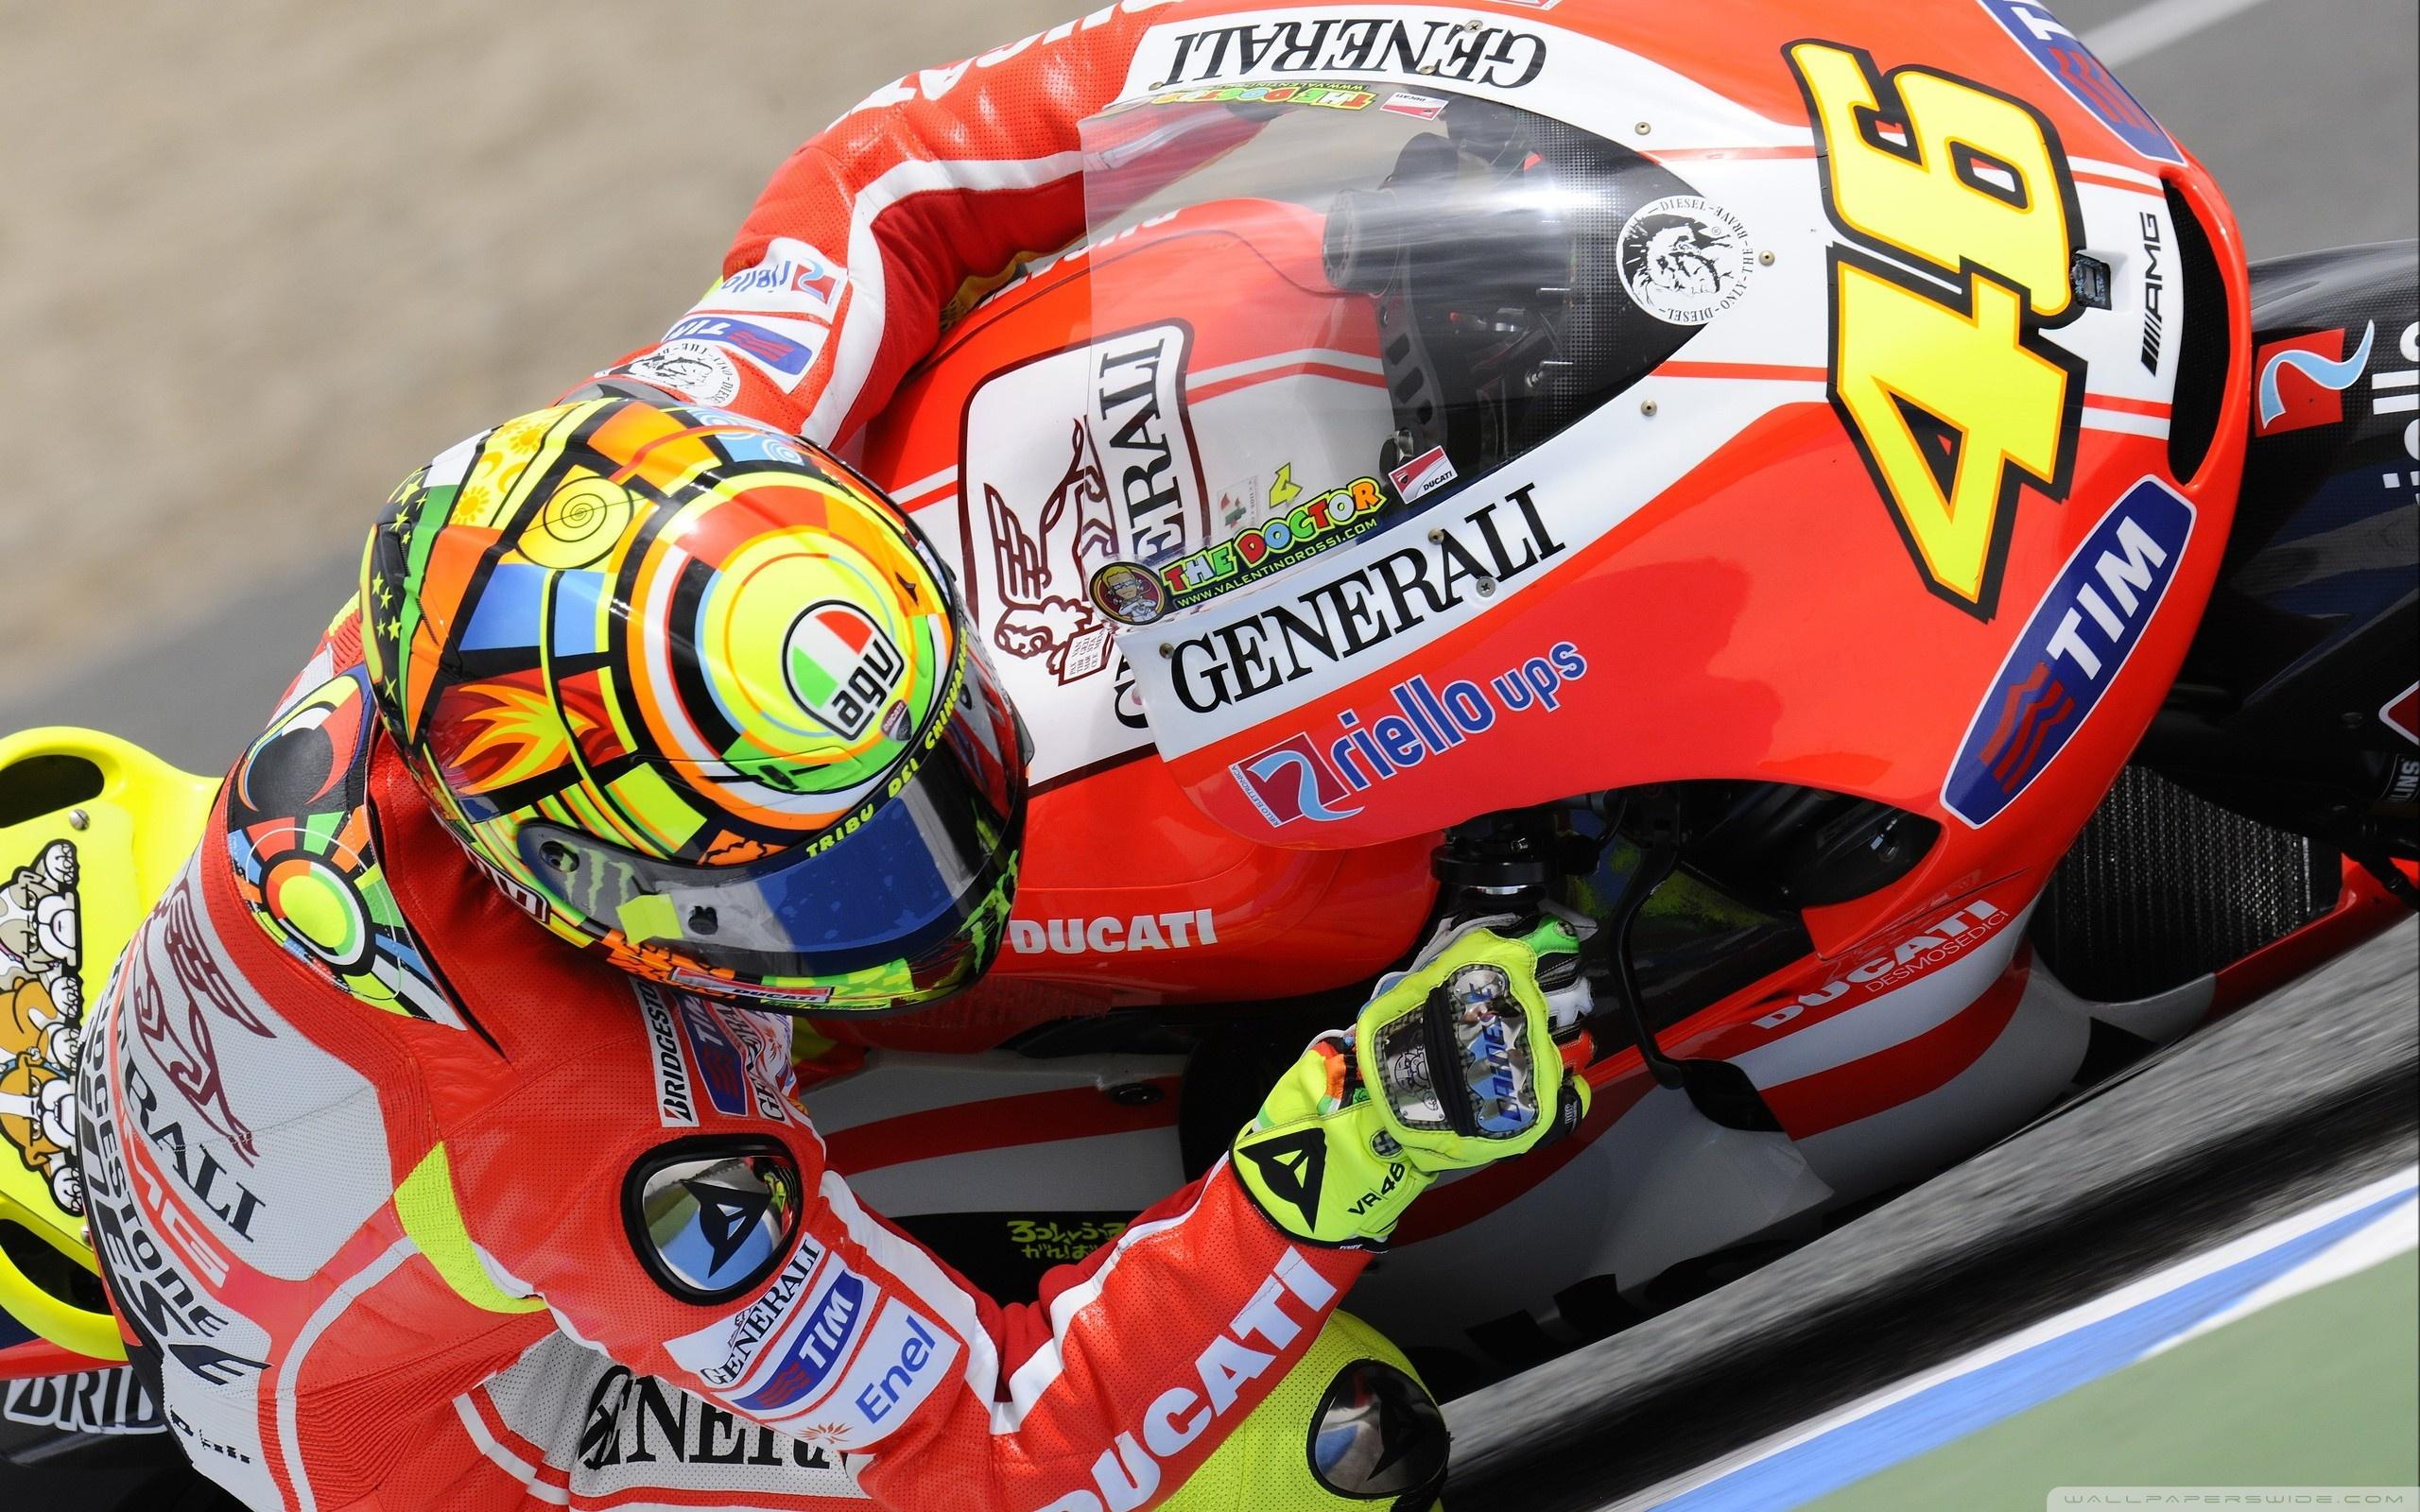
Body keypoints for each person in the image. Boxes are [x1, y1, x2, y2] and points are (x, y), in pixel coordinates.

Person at [73, 6, 1593, 1507]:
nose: (937, 862)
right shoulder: (603, 1139)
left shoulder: (658, 472)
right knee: (1311, 1453)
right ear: (599, 893)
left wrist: (1359, 52)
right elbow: (1008, 1457)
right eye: (831, 872)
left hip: (294, 1073)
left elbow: (893, 172)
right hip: (441, 1426)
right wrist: (1356, 1140)